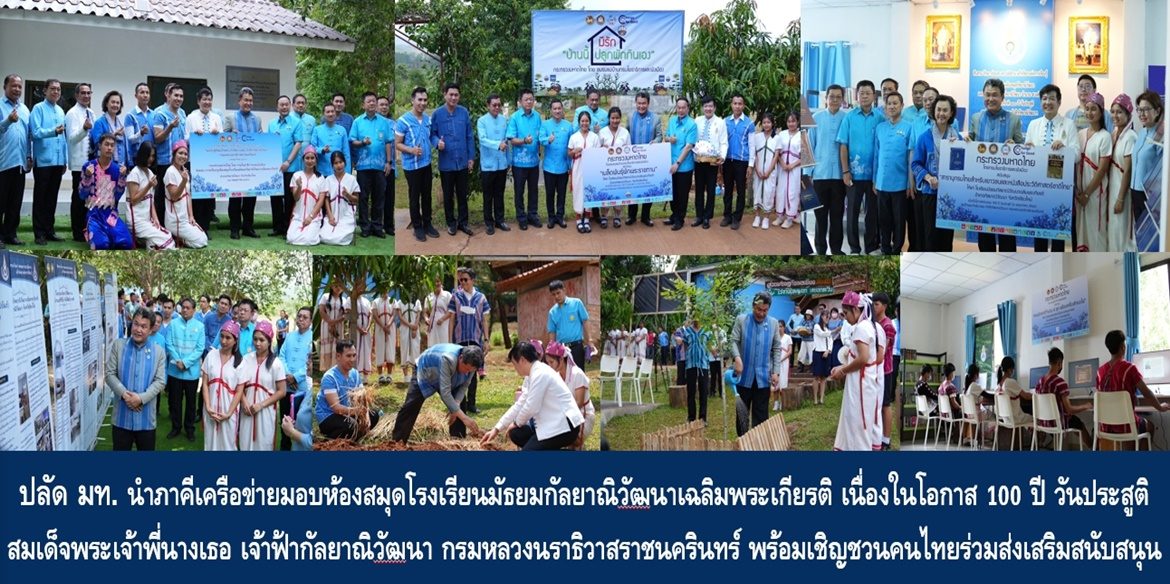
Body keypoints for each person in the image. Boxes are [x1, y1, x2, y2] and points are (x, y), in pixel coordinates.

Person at [483, 341, 584, 450]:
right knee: (516, 433)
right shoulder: (534, 374)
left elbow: (531, 407)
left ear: (522, 360)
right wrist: (497, 428)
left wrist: (516, 423)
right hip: (553, 424)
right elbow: (520, 404)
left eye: (514, 363)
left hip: (565, 426)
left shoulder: (540, 374)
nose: (515, 368)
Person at [968, 79, 1023, 251]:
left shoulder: (1014, 119)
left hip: (1006, 187)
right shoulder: (976, 118)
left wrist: (1016, 148)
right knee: (984, 234)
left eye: (995, 95)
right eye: (987, 95)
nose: (991, 98)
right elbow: (969, 144)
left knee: (1007, 235)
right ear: (983, 96)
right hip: (982, 187)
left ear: (1002, 97)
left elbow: (1023, 150)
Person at [1025, 84, 1080, 252]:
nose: (1048, 102)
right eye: (1044, 98)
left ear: (1059, 101)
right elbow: (1026, 156)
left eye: (1052, 98)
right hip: (1038, 186)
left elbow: (1077, 154)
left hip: (1060, 187)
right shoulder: (1033, 125)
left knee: (1058, 234)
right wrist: (1028, 150)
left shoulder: (1069, 124)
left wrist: (1064, 149)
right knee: (1039, 230)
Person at [392, 343, 483, 441]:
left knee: (459, 405)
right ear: (461, 358)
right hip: (426, 371)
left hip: (451, 375)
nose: (467, 373)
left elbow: (464, 385)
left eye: (470, 371)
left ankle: (458, 441)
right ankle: (398, 442)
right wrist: (465, 418)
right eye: (466, 369)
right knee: (411, 405)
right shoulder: (448, 359)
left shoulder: (472, 364)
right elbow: (445, 393)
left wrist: (455, 406)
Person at [106, 308, 167, 450]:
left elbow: (160, 381)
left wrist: (141, 398)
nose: (138, 329)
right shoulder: (118, 345)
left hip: (146, 420)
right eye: (136, 324)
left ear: (151, 329)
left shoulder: (158, 352)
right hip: (121, 418)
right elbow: (109, 374)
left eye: (144, 326)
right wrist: (125, 395)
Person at [830, 291, 882, 451]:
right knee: (862, 422)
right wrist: (843, 366)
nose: (845, 317)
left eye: (846, 313)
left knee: (857, 423)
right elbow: (874, 357)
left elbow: (863, 358)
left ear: (856, 310)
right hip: (867, 381)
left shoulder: (861, 328)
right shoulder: (873, 326)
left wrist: (843, 371)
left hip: (860, 384)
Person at [1098, 330, 1170, 441]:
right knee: (1149, 426)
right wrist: (1160, 407)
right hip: (1125, 427)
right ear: (1123, 346)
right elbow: (1146, 393)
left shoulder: (1100, 372)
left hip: (1105, 427)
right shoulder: (1129, 368)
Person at [912, 94, 962, 251]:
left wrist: (964, 146)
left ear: (951, 113)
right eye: (939, 109)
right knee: (930, 236)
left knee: (947, 237)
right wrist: (927, 177)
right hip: (930, 194)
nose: (941, 113)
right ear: (934, 112)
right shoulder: (924, 137)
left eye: (945, 110)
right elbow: (915, 164)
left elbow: (964, 165)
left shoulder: (957, 136)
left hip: (949, 195)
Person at [730, 292, 785, 434]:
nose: (761, 313)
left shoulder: (773, 324)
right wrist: (737, 358)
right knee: (742, 416)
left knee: (761, 417)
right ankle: (742, 445)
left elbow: (776, 348)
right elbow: (734, 341)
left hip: (763, 379)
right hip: (744, 378)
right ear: (753, 306)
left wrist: (775, 372)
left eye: (765, 310)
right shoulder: (742, 320)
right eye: (758, 309)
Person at [837, 80, 881, 255]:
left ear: (874, 96)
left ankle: (871, 246)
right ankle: (854, 248)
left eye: (867, 93)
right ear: (857, 95)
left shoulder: (880, 117)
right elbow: (843, 145)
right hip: (853, 176)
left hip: (874, 177)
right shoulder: (849, 117)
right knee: (852, 214)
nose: (864, 96)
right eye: (861, 93)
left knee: (872, 214)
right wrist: (846, 171)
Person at [232, 321, 287, 451]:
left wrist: (261, 405)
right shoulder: (246, 359)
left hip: (266, 411)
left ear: (269, 341)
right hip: (247, 410)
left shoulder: (276, 364)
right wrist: (244, 401)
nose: (257, 343)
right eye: (255, 339)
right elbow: (238, 384)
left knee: (264, 444)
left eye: (262, 340)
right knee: (245, 442)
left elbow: (282, 391)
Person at [431, 82, 476, 237]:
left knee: (462, 194)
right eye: (450, 94)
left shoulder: (464, 113)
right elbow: (432, 134)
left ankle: (463, 223)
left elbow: (469, 136)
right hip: (447, 163)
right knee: (448, 195)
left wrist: (471, 157)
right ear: (445, 95)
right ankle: (451, 223)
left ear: (459, 96)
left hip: (462, 161)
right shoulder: (437, 114)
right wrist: (438, 143)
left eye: (456, 95)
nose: (453, 97)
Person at [809, 84, 848, 254]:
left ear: (842, 100)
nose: (834, 100)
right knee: (820, 217)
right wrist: (807, 174)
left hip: (840, 177)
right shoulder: (816, 118)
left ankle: (837, 249)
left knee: (837, 216)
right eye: (831, 96)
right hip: (819, 175)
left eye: (838, 97)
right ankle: (820, 249)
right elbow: (809, 148)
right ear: (826, 98)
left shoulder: (846, 118)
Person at [78, 133, 134, 249]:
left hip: (111, 214)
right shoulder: (88, 167)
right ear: (100, 146)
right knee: (101, 244)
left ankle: (109, 235)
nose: (109, 148)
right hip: (94, 214)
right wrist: (87, 177)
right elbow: (82, 195)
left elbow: (118, 196)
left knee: (126, 243)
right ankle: (91, 233)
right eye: (106, 144)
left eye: (112, 145)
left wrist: (122, 178)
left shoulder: (117, 169)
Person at [874, 93, 913, 255]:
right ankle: (885, 248)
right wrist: (874, 181)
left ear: (902, 105)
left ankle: (897, 249)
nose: (891, 106)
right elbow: (876, 156)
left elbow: (911, 157)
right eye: (889, 103)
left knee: (899, 221)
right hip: (882, 183)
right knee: (884, 221)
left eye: (895, 103)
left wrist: (909, 184)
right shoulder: (880, 128)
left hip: (900, 184)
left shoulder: (908, 127)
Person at [317, 340, 380, 440]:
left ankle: (353, 434)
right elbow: (336, 408)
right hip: (330, 416)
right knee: (350, 425)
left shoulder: (355, 373)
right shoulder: (329, 377)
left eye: (354, 355)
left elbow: (363, 399)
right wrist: (358, 412)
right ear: (338, 356)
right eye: (348, 356)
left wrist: (366, 416)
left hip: (350, 413)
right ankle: (332, 438)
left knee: (374, 415)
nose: (352, 359)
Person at [396, 87, 436, 242]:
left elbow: (431, 137)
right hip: (411, 166)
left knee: (427, 196)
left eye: (425, 100)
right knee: (414, 197)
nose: (422, 103)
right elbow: (397, 144)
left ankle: (428, 224)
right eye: (419, 99)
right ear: (412, 100)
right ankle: (417, 227)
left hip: (426, 164)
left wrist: (437, 143)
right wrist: (411, 150)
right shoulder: (403, 121)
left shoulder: (428, 119)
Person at [30, 79, 68, 245]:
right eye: (52, 89)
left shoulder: (60, 111)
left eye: (58, 89)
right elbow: (35, 132)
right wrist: (53, 131)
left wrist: (64, 160)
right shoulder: (38, 109)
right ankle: (39, 233)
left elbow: (63, 138)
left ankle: (49, 230)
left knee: (52, 198)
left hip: (58, 162)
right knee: (40, 198)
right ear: (45, 91)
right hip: (43, 161)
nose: (56, 92)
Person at [448, 266, 490, 413]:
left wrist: (486, 339)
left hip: (475, 339)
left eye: (465, 280)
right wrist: (449, 340)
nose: (463, 282)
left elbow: (485, 320)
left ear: (473, 280)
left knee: (472, 373)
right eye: (461, 280)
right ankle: (460, 403)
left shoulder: (481, 298)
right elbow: (452, 319)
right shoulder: (456, 297)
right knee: (459, 372)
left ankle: (471, 403)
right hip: (459, 339)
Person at [1075, 93, 1113, 252]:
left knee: (1095, 228)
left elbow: (1102, 169)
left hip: (1095, 193)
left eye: (1094, 109)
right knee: (1080, 227)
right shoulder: (1080, 134)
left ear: (1101, 112)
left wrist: (1087, 194)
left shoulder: (1105, 137)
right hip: (1079, 192)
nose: (1089, 113)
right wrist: (1078, 192)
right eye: (1087, 109)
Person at [1034, 347, 1092, 450]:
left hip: (1045, 423)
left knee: (1074, 420)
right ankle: (1094, 448)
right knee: (1079, 423)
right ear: (1059, 363)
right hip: (1059, 423)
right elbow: (1069, 410)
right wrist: (1085, 406)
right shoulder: (1060, 382)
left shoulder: (1039, 382)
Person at [350, 92, 391, 239]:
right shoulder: (357, 122)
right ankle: (365, 227)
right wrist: (362, 143)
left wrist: (388, 162)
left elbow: (388, 142)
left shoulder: (383, 122)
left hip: (380, 166)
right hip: (363, 166)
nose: (372, 104)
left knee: (379, 197)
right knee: (363, 198)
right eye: (368, 101)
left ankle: (377, 226)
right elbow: (352, 141)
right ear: (363, 104)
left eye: (374, 101)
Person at [164, 297, 205, 442]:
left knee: (191, 403)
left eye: (188, 308)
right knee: (175, 402)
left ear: (194, 310)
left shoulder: (200, 326)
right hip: (175, 370)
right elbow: (169, 344)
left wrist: (186, 363)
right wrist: (178, 361)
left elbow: (200, 348)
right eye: (183, 307)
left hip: (191, 373)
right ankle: (176, 428)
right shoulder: (173, 324)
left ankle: (189, 429)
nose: (185, 310)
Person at [184, 87, 223, 233]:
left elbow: (224, 139)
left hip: (213, 163)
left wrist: (218, 134)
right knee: (197, 197)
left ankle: (206, 228)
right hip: (196, 162)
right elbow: (185, 139)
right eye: (204, 99)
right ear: (198, 101)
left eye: (209, 99)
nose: (207, 102)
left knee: (209, 196)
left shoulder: (217, 118)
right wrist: (194, 135)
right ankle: (197, 227)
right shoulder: (191, 118)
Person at [543, 341, 594, 448]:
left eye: (551, 362)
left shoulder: (577, 374)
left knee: (567, 439)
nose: (550, 366)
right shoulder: (556, 376)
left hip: (583, 415)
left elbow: (579, 403)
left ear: (561, 359)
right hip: (566, 416)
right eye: (548, 363)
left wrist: (559, 419)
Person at [1130, 91, 1164, 253]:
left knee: (1151, 236)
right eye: (1139, 109)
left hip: (1150, 195)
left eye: (1146, 109)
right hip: (1135, 191)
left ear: (1157, 111)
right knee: (1140, 233)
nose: (1141, 114)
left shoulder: (1161, 136)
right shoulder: (1142, 132)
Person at [0, 74, 31, 247]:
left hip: (20, 163)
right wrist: (7, 121)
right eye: (13, 86)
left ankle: (10, 234)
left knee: (15, 202)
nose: (17, 89)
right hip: (3, 163)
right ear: (5, 87)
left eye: (20, 86)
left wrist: (29, 156)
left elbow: (28, 136)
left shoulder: (25, 109)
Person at [202, 320, 242, 451]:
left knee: (228, 444)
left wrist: (229, 413)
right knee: (210, 441)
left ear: (235, 340)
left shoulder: (240, 362)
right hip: (210, 407)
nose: (223, 341)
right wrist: (207, 406)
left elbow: (239, 391)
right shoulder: (211, 355)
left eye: (228, 338)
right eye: (222, 336)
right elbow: (205, 384)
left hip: (229, 410)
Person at [64, 83, 97, 243]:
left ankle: (86, 228)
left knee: (89, 199)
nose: (86, 96)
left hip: (92, 163)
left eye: (88, 93)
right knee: (78, 198)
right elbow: (70, 138)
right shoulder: (72, 113)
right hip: (79, 163)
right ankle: (77, 232)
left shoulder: (91, 112)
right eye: (83, 93)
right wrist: (84, 129)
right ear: (77, 95)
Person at [266, 95, 303, 238]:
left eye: (287, 104)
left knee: (289, 200)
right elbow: (268, 144)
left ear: (290, 106)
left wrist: (288, 161)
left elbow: (298, 143)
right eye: (281, 105)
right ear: (277, 107)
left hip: (291, 168)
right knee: (275, 199)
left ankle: (288, 228)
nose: (284, 107)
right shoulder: (271, 124)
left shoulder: (296, 122)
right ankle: (277, 227)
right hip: (275, 169)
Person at [152, 83, 187, 234]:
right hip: (163, 162)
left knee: (178, 194)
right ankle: (160, 227)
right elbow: (158, 138)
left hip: (178, 162)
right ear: (168, 95)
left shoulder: (183, 113)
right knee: (161, 196)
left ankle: (176, 226)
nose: (178, 99)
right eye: (176, 95)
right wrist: (170, 127)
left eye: (181, 96)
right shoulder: (160, 113)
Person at [507, 89, 544, 230]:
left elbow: (540, 136)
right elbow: (511, 139)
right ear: (520, 102)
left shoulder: (538, 117)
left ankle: (532, 215)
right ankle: (521, 217)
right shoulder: (515, 117)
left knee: (533, 190)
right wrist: (524, 140)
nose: (529, 102)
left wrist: (541, 146)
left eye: (531, 99)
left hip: (534, 162)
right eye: (526, 99)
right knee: (519, 191)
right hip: (519, 163)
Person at [625, 92, 663, 227]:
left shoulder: (655, 118)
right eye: (639, 103)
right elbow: (626, 134)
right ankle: (631, 216)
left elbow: (660, 136)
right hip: (632, 160)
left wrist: (656, 141)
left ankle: (646, 216)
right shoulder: (630, 117)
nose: (641, 106)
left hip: (649, 161)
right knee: (632, 188)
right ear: (636, 103)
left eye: (644, 103)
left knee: (648, 187)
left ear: (648, 103)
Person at [278, 307, 313, 450]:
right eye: (299, 316)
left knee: (300, 424)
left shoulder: (312, 338)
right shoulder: (290, 336)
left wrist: (296, 377)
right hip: (285, 387)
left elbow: (310, 363)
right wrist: (287, 374)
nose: (301, 319)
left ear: (311, 321)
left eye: (305, 317)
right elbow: (281, 356)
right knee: (285, 422)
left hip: (302, 389)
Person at [162, 141, 207, 248]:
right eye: (180, 153)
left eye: (185, 154)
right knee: (201, 242)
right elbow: (174, 196)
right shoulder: (170, 172)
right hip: (175, 221)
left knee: (204, 237)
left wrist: (191, 216)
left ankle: (178, 238)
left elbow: (188, 196)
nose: (183, 156)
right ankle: (176, 238)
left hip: (185, 219)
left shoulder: (184, 171)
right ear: (174, 154)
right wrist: (183, 181)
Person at [1107, 94, 1137, 252]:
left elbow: (1128, 171)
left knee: (1121, 232)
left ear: (1128, 114)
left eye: (1119, 112)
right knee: (1113, 231)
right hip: (1112, 189)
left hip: (1121, 192)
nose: (1114, 116)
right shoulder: (1114, 134)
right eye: (1112, 112)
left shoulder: (1130, 137)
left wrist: (1120, 198)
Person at [477, 94, 511, 235]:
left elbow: (507, 141)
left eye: (499, 105)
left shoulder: (504, 120)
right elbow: (483, 140)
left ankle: (500, 220)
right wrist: (498, 144)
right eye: (494, 105)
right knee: (488, 195)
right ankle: (489, 223)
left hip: (501, 164)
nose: (497, 107)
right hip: (488, 165)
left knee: (499, 194)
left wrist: (508, 161)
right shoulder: (482, 121)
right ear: (488, 106)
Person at [693, 96, 727, 229]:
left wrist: (722, 157)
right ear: (702, 108)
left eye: (710, 106)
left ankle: (707, 217)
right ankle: (699, 216)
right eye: (705, 106)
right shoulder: (697, 121)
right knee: (699, 189)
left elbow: (723, 142)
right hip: (699, 160)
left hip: (713, 162)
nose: (708, 108)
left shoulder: (720, 122)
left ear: (714, 108)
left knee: (711, 190)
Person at [539, 99, 573, 229]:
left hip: (563, 166)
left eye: (559, 108)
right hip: (549, 166)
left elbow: (571, 145)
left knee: (562, 193)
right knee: (550, 193)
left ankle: (560, 216)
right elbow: (541, 140)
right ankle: (551, 217)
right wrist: (549, 139)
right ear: (551, 110)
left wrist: (570, 165)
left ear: (562, 110)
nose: (557, 111)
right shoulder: (545, 125)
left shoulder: (568, 126)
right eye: (555, 108)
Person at [665, 98, 697, 231]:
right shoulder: (672, 121)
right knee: (672, 193)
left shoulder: (691, 124)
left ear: (688, 108)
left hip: (684, 166)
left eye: (683, 107)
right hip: (670, 164)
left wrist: (678, 163)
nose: (681, 110)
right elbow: (666, 137)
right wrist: (669, 139)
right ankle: (674, 215)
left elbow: (689, 146)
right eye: (678, 107)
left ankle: (680, 219)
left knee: (682, 194)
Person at [596, 107, 631, 229]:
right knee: (605, 192)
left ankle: (617, 217)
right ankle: (604, 217)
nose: (615, 120)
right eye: (612, 118)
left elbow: (629, 150)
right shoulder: (602, 132)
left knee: (618, 193)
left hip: (620, 169)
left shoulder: (625, 132)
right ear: (609, 119)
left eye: (617, 118)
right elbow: (596, 149)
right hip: (605, 169)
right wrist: (602, 148)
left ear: (620, 119)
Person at [546, 278, 592, 368]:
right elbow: (552, 332)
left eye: (558, 293)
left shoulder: (577, 303)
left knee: (578, 374)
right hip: (561, 349)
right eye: (553, 294)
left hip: (577, 347)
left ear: (564, 290)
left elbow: (585, 321)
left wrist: (589, 341)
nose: (556, 296)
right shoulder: (552, 312)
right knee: (564, 375)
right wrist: (551, 350)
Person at [286, 145, 327, 246]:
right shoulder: (296, 175)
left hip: (313, 216)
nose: (310, 161)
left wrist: (310, 217)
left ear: (316, 160)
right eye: (307, 158)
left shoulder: (321, 178)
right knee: (291, 239)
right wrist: (299, 186)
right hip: (298, 216)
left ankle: (314, 229)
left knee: (309, 240)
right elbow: (296, 198)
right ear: (303, 160)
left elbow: (321, 201)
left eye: (312, 158)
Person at [568, 111, 600, 233]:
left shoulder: (594, 137)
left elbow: (598, 154)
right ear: (579, 122)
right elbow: (569, 154)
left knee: (589, 192)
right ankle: (578, 219)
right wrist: (575, 151)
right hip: (578, 167)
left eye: (587, 121)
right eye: (582, 121)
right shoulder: (574, 137)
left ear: (590, 122)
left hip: (591, 168)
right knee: (578, 192)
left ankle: (586, 219)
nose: (585, 123)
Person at [872, 293, 897, 450]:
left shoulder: (888, 325)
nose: (874, 307)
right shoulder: (873, 323)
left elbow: (883, 350)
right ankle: (877, 436)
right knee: (876, 404)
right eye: (873, 304)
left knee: (885, 405)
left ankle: (886, 439)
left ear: (885, 306)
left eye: (877, 304)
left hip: (885, 370)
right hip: (874, 369)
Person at [320, 150, 358, 245]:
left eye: (340, 162)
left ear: (345, 163)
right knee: (324, 237)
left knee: (341, 239)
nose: (339, 165)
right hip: (332, 214)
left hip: (346, 215)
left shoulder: (351, 179)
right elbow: (326, 199)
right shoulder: (328, 179)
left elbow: (356, 200)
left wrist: (348, 195)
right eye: (336, 163)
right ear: (332, 165)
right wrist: (330, 216)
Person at [680, 316, 712, 423]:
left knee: (703, 392)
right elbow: (685, 345)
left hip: (703, 365)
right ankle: (691, 418)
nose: (697, 319)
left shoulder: (707, 331)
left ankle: (703, 418)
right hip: (690, 365)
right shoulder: (687, 331)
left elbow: (710, 345)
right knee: (691, 392)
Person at [91, 90, 131, 169]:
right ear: (106, 104)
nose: (115, 105)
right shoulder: (99, 122)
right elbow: (97, 143)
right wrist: (113, 135)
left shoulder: (120, 123)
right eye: (113, 102)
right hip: (105, 164)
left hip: (121, 164)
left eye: (118, 103)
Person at [994, 356, 1032, 431]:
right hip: (1015, 419)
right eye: (1013, 369)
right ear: (1010, 369)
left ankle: (1031, 439)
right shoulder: (1010, 382)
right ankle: (1041, 441)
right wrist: (1037, 395)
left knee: (1026, 413)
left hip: (1006, 419)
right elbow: (1026, 396)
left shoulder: (998, 386)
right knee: (1035, 417)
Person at [311, 103, 350, 173]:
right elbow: (312, 149)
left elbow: (346, 152)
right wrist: (322, 150)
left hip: (338, 170)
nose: (330, 114)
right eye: (328, 112)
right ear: (323, 114)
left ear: (335, 113)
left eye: (332, 111)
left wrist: (347, 171)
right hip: (322, 170)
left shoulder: (342, 130)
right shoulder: (317, 129)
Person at [124, 83, 154, 176]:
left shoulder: (154, 114)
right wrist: (140, 133)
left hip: (152, 159)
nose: (145, 95)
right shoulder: (130, 116)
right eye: (142, 92)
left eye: (147, 93)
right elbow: (130, 139)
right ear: (136, 95)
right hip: (137, 159)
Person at [317, 283, 347, 371]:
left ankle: (336, 370)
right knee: (327, 347)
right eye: (336, 286)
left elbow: (344, 315)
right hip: (326, 325)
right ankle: (327, 371)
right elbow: (321, 311)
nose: (338, 288)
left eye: (340, 286)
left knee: (337, 347)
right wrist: (330, 322)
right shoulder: (325, 297)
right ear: (331, 286)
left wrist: (334, 322)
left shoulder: (344, 300)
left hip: (338, 326)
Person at [372, 290, 398, 384]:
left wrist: (388, 325)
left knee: (390, 349)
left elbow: (394, 314)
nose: (384, 291)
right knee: (380, 349)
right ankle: (380, 375)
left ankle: (389, 375)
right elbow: (375, 315)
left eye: (386, 289)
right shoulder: (376, 301)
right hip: (379, 327)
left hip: (391, 328)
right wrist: (383, 326)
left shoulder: (393, 300)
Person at [424, 277, 452, 348]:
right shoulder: (429, 297)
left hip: (444, 326)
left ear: (441, 282)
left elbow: (451, 311)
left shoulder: (447, 295)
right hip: (432, 328)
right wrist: (426, 318)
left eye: (438, 281)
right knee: (432, 347)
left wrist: (442, 319)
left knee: (443, 346)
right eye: (434, 282)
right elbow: (425, 312)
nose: (436, 284)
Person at [397, 298, 422, 380]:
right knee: (404, 350)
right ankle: (406, 376)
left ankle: (414, 375)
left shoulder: (417, 301)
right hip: (404, 329)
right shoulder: (400, 302)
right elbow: (400, 316)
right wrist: (409, 325)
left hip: (415, 328)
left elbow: (418, 315)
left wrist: (415, 327)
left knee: (415, 350)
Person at [811, 315, 833, 405]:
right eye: (825, 316)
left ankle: (821, 398)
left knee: (824, 377)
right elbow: (822, 334)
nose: (827, 318)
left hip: (826, 352)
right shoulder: (816, 326)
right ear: (821, 317)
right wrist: (834, 331)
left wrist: (828, 350)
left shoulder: (828, 329)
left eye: (828, 316)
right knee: (816, 376)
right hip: (817, 352)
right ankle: (815, 399)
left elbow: (831, 341)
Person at [771, 322, 792, 412]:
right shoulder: (774, 337)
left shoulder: (788, 337)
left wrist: (782, 359)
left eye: (781, 326)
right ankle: (776, 403)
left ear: (784, 327)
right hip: (775, 363)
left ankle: (783, 402)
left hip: (784, 362)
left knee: (783, 382)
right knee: (775, 382)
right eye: (778, 326)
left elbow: (790, 351)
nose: (779, 328)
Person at [354, 293, 373, 380]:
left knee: (366, 350)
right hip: (355, 329)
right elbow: (348, 315)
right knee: (357, 350)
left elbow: (370, 315)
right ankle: (358, 375)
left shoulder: (366, 301)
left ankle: (366, 376)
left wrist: (368, 328)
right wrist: (358, 328)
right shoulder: (351, 300)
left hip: (366, 330)